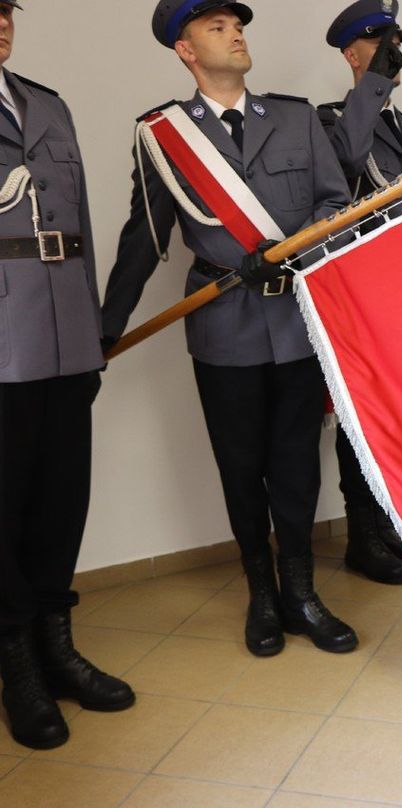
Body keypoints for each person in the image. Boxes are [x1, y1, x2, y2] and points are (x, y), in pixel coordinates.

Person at [101, 0, 358, 658]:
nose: (235, 32)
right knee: (241, 468)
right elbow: (145, 239)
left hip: (299, 322)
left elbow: (337, 202)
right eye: (216, 26)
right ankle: (262, 596)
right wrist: (104, 328)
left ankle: (301, 592)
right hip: (223, 327)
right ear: (186, 50)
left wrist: (298, 246)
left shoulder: (297, 119)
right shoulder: (164, 136)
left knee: (297, 465)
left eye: (236, 23)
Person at [0, 0, 135, 750]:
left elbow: (74, 223)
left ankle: (56, 644)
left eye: (5, 8)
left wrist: (89, 337)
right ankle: (15, 659)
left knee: (61, 499)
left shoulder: (46, 105)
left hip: (62, 337)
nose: (0, 21)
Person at [312, 0, 402, 585]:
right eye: (379, 46)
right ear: (353, 55)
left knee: (395, 417)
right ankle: (360, 533)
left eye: (395, 45)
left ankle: (384, 519)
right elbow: (346, 162)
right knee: (359, 419)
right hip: (357, 291)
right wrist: (375, 81)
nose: (391, 54)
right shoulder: (331, 119)